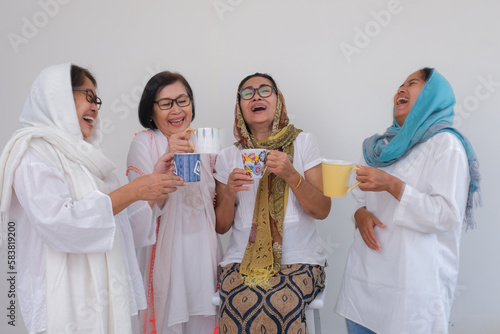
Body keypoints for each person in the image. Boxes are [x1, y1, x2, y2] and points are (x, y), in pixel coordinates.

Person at [0, 63, 185, 334]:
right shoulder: (34, 153)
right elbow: (60, 223)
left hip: (103, 299)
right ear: (57, 96)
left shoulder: (88, 159)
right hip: (65, 301)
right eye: (87, 96)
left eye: (96, 99)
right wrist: (133, 191)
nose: (95, 107)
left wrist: (150, 193)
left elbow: (120, 229)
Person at [335, 68, 481, 334]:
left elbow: (447, 215)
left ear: (431, 97)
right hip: (364, 284)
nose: (400, 89)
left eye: (411, 84)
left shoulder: (445, 145)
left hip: (412, 292)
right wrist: (360, 214)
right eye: (399, 85)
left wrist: (392, 185)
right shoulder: (382, 147)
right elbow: (361, 198)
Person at [214, 73, 331, 333]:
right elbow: (221, 226)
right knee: (239, 305)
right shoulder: (228, 156)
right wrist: (230, 193)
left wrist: (291, 175)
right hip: (241, 260)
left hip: (300, 259)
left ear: (278, 100)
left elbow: (323, 209)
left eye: (265, 90)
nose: (256, 96)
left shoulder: (303, 143)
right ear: (239, 106)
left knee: (280, 303)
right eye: (247, 93)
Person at [126, 71, 221, 334]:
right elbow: (137, 216)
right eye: (166, 103)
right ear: (151, 112)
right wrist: (167, 158)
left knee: (207, 319)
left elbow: (216, 207)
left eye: (183, 100)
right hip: (168, 259)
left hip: (205, 257)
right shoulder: (145, 143)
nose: (177, 109)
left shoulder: (202, 142)